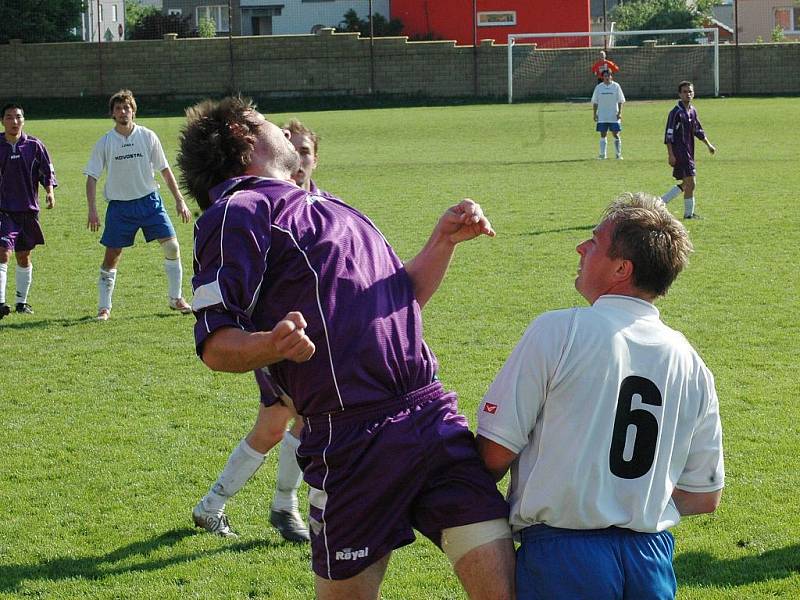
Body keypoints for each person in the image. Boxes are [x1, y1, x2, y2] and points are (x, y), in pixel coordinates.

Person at [178, 96, 515, 599]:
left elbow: (401, 300)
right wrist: (271, 344)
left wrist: (441, 242)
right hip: (353, 442)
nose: (285, 130)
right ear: (243, 134)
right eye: (267, 120)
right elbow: (216, 345)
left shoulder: (327, 203)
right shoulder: (237, 211)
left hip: (431, 419)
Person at [476, 192, 724, 600]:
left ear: (622, 268)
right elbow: (703, 496)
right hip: (651, 560)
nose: (581, 247)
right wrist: (631, 507)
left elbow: (493, 455)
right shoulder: (692, 362)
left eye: (594, 241)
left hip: (564, 557)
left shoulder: (559, 331)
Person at [191, 119, 323, 543]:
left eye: (306, 152)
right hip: (277, 339)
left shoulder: (323, 206)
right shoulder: (258, 206)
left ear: (315, 159)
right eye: (294, 150)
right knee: (304, 421)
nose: (299, 160)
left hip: (313, 341)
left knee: (275, 427)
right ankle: (286, 508)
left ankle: (215, 506)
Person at [84, 89, 192, 321]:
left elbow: (164, 169)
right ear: (112, 114)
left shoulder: (147, 136)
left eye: (127, 108)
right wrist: (92, 210)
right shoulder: (105, 142)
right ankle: (104, 308)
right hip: (120, 208)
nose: (123, 112)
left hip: (150, 202)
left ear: (133, 111)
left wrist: (179, 200)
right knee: (112, 255)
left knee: (172, 247)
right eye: (118, 109)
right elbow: (91, 177)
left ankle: (176, 298)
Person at [0, 103, 57, 319]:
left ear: (23, 120)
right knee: (3, 251)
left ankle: (21, 303)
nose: (14, 122)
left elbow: (46, 172)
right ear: (2, 121)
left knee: (23, 256)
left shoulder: (34, 145)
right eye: (9, 117)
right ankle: (0, 303)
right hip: (3, 210)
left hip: (28, 210)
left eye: (18, 117)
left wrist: (50, 192)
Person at [660, 80, 716, 219]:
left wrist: (708, 145)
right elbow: (669, 134)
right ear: (679, 94)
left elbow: (698, 130)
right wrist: (670, 155)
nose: (688, 94)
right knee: (691, 182)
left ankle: (661, 202)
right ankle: (688, 215)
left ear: (693, 93)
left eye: (690, 91)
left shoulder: (692, 111)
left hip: (689, 152)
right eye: (684, 92)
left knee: (686, 183)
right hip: (680, 152)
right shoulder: (675, 113)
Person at [591, 69, 625, 160]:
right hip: (602, 115)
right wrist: (594, 114)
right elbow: (595, 102)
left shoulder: (616, 86)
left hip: (613, 115)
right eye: (605, 76)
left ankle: (618, 154)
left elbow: (621, 101)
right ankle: (603, 155)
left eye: (608, 75)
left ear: (611, 76)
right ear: (602, 77)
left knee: (616, 134)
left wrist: (620, 112)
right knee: (603, 134)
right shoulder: (599, 87)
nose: (607, 77)